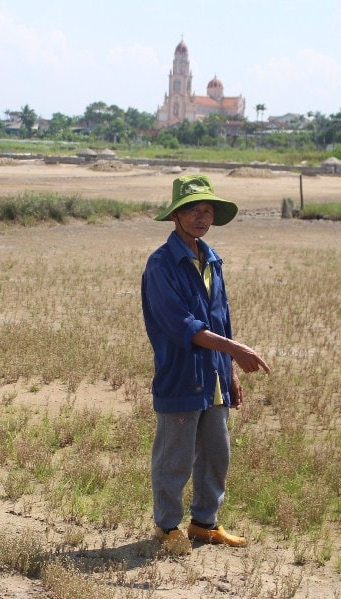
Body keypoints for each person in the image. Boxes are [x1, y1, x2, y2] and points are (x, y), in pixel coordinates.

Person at [141, 173, 270, 556]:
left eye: (207, 210)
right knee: (174, 458)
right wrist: (237, 350)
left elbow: (221, 319)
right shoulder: (162, 264)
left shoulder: (212, 260)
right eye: (193, 210)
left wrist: (229, 371)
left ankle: (204, 524)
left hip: (214, 376)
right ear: (175, 216)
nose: (201, 217)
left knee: (217, 454)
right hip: (181, 375)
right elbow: (183, 326)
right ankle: (167, 527)